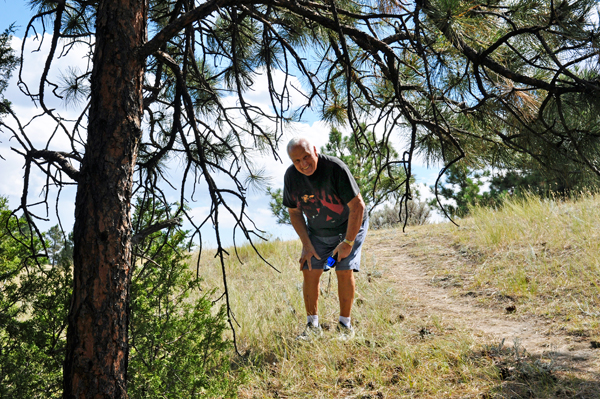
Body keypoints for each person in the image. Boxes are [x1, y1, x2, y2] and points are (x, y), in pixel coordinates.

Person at [282, 137, 368, 339]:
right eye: (297, 161)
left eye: (306, 157)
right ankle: (313, 328)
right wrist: (306, 245)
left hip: (349, 226)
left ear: (314, 150)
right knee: (311, 268)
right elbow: (294, 212)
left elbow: (358, 206)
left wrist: (347, 243)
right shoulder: (291, 177)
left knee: (343, 269)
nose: (303, 164)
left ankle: (345, 327)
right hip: (318, 233)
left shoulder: (335, 168)